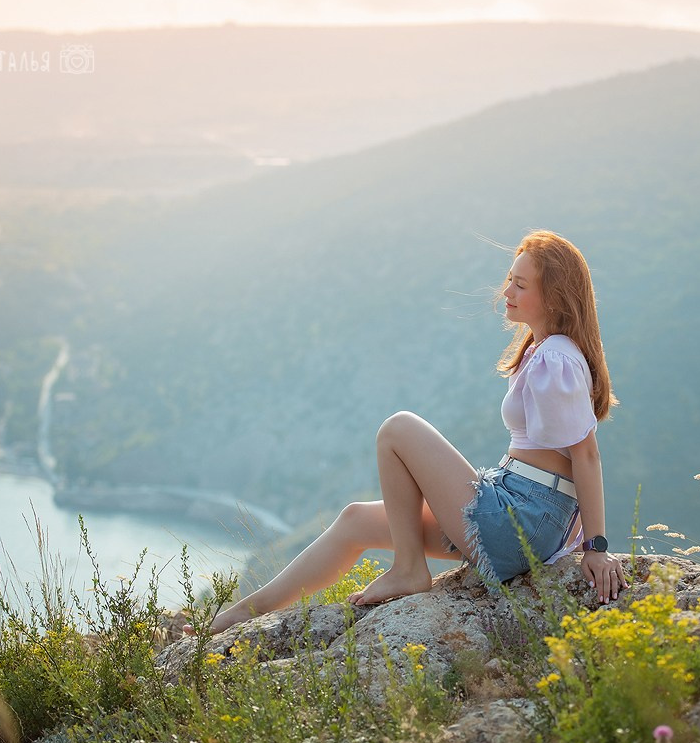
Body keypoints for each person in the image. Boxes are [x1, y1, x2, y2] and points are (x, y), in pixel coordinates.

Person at [202, 230, 626, 636]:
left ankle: (408, 569)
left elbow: (585, 457)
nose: (506, 293)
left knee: (398, 428)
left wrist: (596, 547)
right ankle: (241, 614)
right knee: (356, 520)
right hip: (514, 508)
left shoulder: (557, 359)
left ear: (552, 297)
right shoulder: (541, 350)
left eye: (519, 284)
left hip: (522, 520)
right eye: (508, 281)